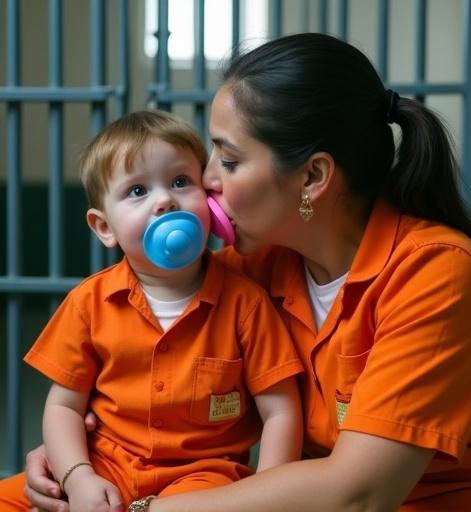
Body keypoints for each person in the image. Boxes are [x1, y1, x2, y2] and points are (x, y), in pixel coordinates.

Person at [20, 32, 471, 511]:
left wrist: (143, 508)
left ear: (313, 177)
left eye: (229, 160)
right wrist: (76, 463)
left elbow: (358, 495)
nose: (206, 180)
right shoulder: (253, 268)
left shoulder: (436, 273)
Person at [0, 110, 304, 512]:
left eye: (181, 182)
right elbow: (62, 406)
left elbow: (281, 410)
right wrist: (78, 477)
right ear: (104, 227)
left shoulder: (246, 305)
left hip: (204, 477)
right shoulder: (89, 303)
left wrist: (266, 494)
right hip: (105, 464)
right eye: (137, 191)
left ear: (210, 202)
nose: (164, 199)